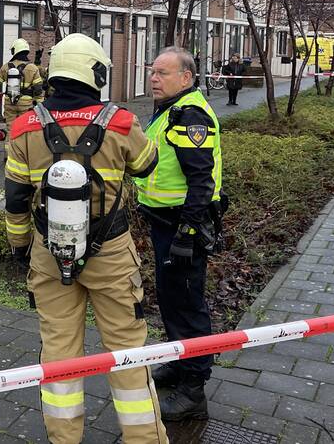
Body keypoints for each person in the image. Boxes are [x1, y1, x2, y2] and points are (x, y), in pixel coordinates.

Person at [4, 33, 167, 444]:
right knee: (127, 351)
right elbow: (148, 166)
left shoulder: (24, 128)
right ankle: (144, 439)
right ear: (96, 72)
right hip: (111, 252)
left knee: (58, 352)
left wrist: (21, 248)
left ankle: (64, 439)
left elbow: (16, 199)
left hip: (48, 253)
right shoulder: (122, 123)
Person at [133, 46, 223, 422]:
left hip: (181, 226)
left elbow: (201, 182)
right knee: (171, 300)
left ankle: (193, 390)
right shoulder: (171, 110)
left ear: (186, 78)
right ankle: (178, 359)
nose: (154, 78)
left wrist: (187, 232)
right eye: (152, 72)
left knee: (187, 305)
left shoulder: (190, 115)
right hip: (165, 224)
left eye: (162, 73)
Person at [0, 38, 45, 137]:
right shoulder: (32, 68)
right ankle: (23, 150)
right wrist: (40, 104)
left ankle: (10, 151)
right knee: (25, 129)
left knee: (11, 130)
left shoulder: (6, 67)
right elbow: (38, 90)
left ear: (15, 51)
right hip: (26, 104)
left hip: (10, 103)